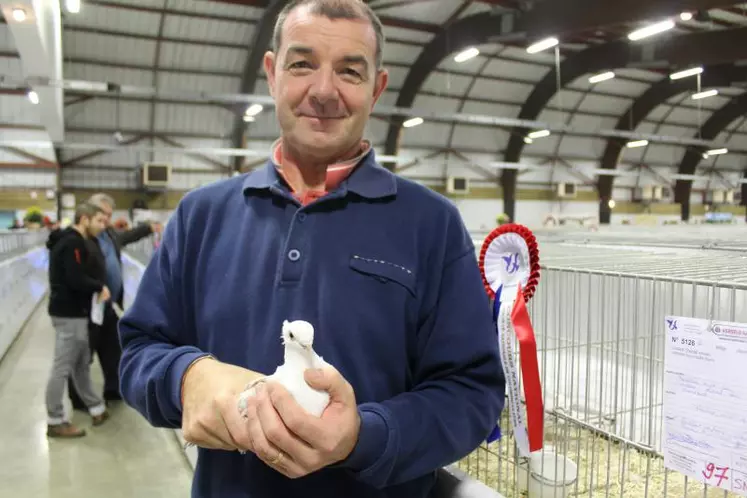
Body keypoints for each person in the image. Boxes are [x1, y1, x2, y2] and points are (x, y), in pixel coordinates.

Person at [118, 0, 505, 496]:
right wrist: (185, 377)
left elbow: (471, 392)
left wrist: (363, 436)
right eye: (302, 64)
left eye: (349, 71)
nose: (324, 91)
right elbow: (139, 351)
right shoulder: (202, 215)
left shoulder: (431, 224)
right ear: (271, 73)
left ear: (377, 88)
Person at [67, 193, 161, 410]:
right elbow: (73, 273)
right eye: (102, 215)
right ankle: (78, 398)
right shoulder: (81, 240)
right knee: (83, 354)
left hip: (107, 305)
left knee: (112, 349)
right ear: (89, 215)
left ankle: (114, 389)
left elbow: (126, 237)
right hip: (88, 306)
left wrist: (149, 228)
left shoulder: (108, 234)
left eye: (109, 216)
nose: (106, 220)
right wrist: (97, 287)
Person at [45, 202, 112, 438]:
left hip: (76, 312)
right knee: (62, 368)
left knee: (81, 363)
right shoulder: (72, 242)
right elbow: (74, 278)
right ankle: (55, 420)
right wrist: (99, 287)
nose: (103, 226)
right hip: (68, 313)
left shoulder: (71, 241)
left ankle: (97, 408)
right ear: (85, 219)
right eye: (99, 221)